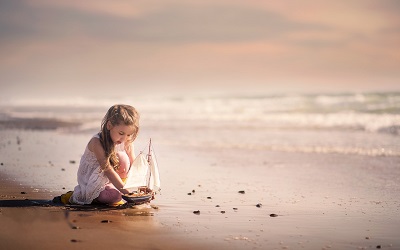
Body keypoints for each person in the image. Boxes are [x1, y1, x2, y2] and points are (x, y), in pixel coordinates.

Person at [65, 104, 140, 205]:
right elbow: (108, 170)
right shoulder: (97, 142)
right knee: (115, 197)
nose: (124, 139)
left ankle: (119, 189)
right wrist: (127, 193)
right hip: (94, 182)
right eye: (121, 133)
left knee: (123, 159)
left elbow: (134, 166)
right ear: (109, 125)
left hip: (113, 182)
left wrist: (142, 188)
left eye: (128, 134)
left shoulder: (126, 142)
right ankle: (79, 194)